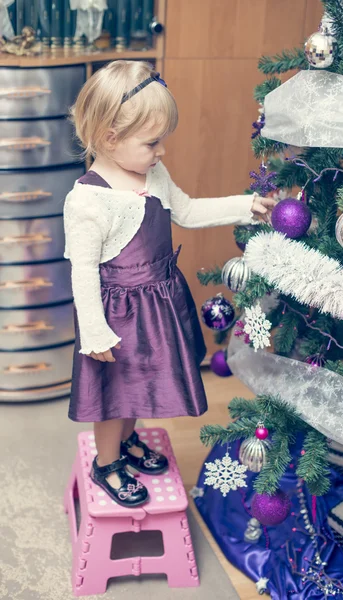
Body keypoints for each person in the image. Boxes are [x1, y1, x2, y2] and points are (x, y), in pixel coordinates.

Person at [64, 60, 275, 508]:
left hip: (158, 304)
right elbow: (82, 270)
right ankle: (107, 462)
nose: (161, 152)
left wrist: (246, 204)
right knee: (115, 394)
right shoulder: (87, 200)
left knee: (140, 383)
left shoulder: (153, 174)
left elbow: (189, 211)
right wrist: (95, 331)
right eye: (152, 142)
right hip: (116, 314)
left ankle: (125, 443)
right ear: (109, 139)